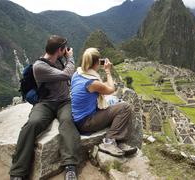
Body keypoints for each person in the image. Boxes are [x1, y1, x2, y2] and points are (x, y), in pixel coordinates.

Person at [9, 35, 81, 180]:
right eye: (64, 48)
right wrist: (71, 58)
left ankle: (70, 165)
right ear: (60, 50)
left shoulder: (59, 59)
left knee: (67, 122)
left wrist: (65, 59)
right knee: (32, 124)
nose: (67, 50)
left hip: (64, 102)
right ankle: (18, 172)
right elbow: (67, 75)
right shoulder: (39, 66)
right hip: (45, 103)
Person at [71, 48, 136, 157]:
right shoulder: (92, 82)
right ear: (97, 63)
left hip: (78, 118)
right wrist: (107, 71)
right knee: (125, 107)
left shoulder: (77, 74)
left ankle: (119, 141)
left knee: (113, 100)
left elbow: (99, 89)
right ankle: (109, 141)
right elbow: (112, 88)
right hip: (86, 122)